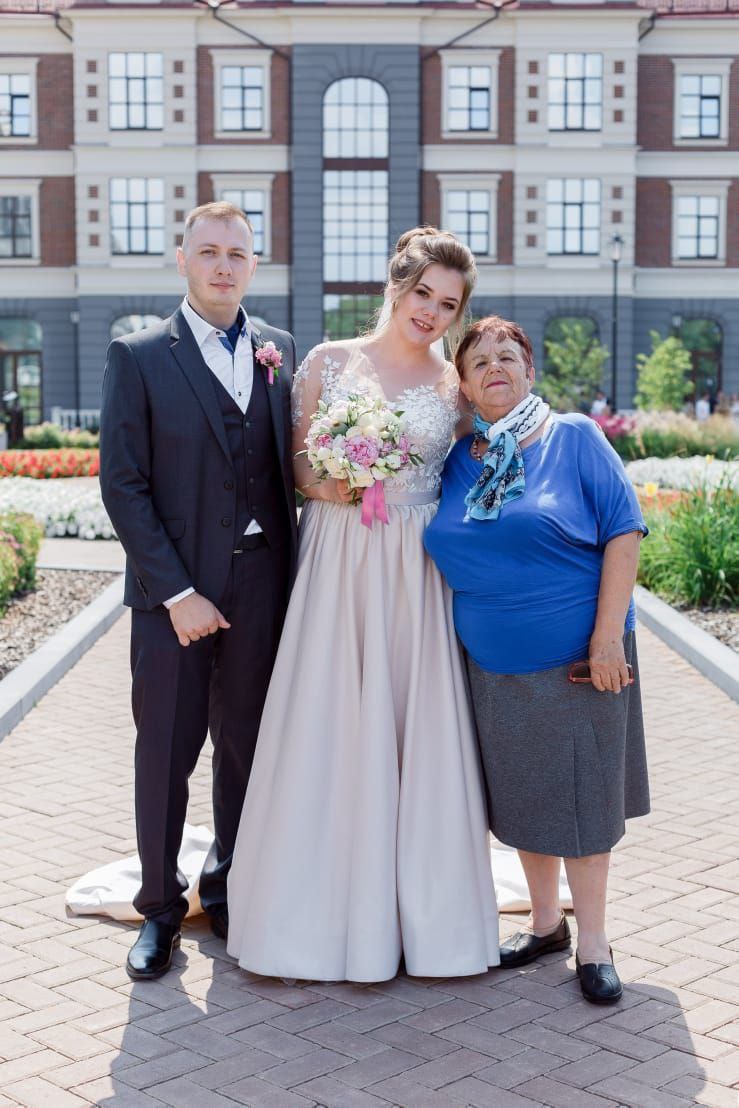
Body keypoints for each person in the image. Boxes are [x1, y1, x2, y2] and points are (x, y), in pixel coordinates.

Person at [226, 228, 500, 982]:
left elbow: (477, 468)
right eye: (423, 294)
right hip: (339, 555)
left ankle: (423, 920)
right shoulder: (326, 362)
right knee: (330, 714)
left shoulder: (454, 386)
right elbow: (295, 468)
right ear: (396, 286)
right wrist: (346, 477)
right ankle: (313, 914)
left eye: (448, 305)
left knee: (416, 720)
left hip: (415, 566)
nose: (431, 312)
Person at [425, 316, 650, 1005]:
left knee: (582, 805)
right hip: (492, 668)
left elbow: (624, 531)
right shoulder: (456, 461)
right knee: (523, 798)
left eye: (508, 355)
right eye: (478, 361)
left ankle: (594, 943)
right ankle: (547, 924)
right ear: (463, 387)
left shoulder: (572, 436)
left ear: (530, 371)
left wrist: (606, 638)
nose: (494, 366)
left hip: (579, 660)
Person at [99, 201, 298, 981]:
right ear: (182, 260)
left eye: (236, 253)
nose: (223, 265)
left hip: (262, 584)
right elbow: (123, 484)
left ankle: (229, 890)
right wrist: (177, 591)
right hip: (172, 595)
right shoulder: (139, 355)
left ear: (253, 265)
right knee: (165, 752)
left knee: (246, 749)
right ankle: (158, 908)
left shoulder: (280, 350)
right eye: (208, 251)